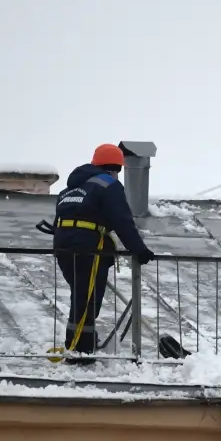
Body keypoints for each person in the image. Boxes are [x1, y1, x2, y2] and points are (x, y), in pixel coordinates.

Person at [53, 143, 155, 364]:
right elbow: (123, 221)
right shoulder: (108, 185)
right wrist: (139, 249)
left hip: (63, 245)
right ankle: (79, 351)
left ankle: (82, 344)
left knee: (81, 296)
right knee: (87, 299)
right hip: (87, 247)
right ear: (115, 167)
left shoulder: (70, 188)